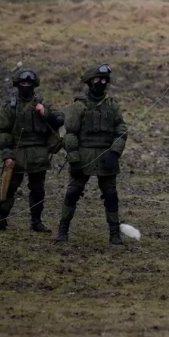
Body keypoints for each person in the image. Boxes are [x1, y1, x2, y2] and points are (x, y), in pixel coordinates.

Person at [55, 64, 128, 245]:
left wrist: (115, 153)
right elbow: (70, 134)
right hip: (83, 154)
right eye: (97, 80)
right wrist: (74, 160)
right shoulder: (78, 106)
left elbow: (121, 129)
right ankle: (63, 229)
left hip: (106, 155)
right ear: (89, 82)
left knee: (111, 195)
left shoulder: (112, 105)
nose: (101, 83)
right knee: (73, 192)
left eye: (104, 80)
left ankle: (114, 233)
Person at [0, 70, 64, 232]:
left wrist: (44, 112)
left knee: (38, 189)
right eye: (23, 84)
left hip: (38, 153)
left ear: (34, 86)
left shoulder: (42, 104)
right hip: (17, 152)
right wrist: (7, 155)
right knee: (8, 187)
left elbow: (60, 119)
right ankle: (1, 219)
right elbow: (4, 133)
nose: (26, 87)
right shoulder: (11, 107)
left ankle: (36, 222)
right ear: (18, 86)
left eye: (29, 84)